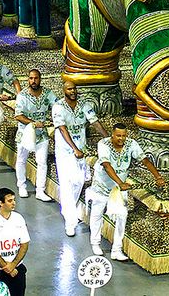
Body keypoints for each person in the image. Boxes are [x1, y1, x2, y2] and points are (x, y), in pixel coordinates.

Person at [88, 122, 164, 262]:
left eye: (123, 136)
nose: (121, 139)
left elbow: (145, 160)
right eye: (118, 135)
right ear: (112, 134)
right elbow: (106, 165)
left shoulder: (131, 144)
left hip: (118, 190)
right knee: (97, 213)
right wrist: (120, 182)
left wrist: (157, 176)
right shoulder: (103, 144)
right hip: (102, 186)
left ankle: (116, 250)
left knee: (122, 215)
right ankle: (95, 243)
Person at [50, 79, 98, 237]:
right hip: (65, 151)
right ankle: (70, 221)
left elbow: (95, 122)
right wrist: (74, 148)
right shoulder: (58, 107)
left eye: (74, 88)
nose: (73, 91)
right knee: (66, 183)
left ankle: (67, 208)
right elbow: (62, 129)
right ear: (64, 90)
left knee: (78, 181)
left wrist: (108, 139)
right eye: (69, 89)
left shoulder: (84, 104)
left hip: (80, 150)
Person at [12, 70, 55, 202]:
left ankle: (40, 191)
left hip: (41, 136)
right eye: (31, 78)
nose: (33, 81)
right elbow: (18, 115)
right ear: (28, 80)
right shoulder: (23, 95)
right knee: (21, 160)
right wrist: (34, 124)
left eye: (36, 78)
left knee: (42, 162)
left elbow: (57, 106)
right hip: (25, 134)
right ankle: (22, 186)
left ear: (40, 79)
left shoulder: (48, 93)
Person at [0, 189, 29, 296]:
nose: (14, 203)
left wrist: (13, 265)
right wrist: (6, 267)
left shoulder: (19, 219)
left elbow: (24, 244)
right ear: (1, 203)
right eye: (10, 200)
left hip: (17, 269)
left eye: (14, 200)